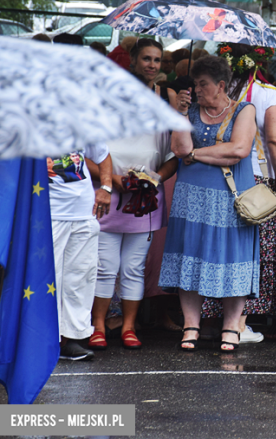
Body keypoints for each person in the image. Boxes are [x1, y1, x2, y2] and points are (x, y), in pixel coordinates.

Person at [159, 56, 260, 352]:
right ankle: (192, 324)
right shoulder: (188, 112)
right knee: (189, 255)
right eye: (194, 84)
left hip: (231, 198)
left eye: (203, 84)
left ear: (220, 85)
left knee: (232, 257)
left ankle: (231, 326)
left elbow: (239, 150)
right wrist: (180, 113)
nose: (197, 90)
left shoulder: (244, 109)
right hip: (191, 197)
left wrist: (197, 155)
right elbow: (179, 148)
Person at [88, 38, 178, 351]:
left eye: (157, 60)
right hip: (110, 196)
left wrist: (154, 178)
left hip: (145, 201)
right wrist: (110, 178)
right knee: (105, 265)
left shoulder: (163, 108)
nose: (152, 65)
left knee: (133, 267)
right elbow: (88, 153)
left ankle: (129, 327)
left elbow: (172, 156)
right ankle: (97, 325)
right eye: (146, 59)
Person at [201, 43, 276, 344]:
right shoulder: (269, 94)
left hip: (217, 172)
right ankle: (239, 322)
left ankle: (215, 317)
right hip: (255, 178)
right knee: (254, 252)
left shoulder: (219, 93)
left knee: (220, 247)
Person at [49, 144, 112, 361]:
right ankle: (47, 338)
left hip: (84, 213)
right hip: (47, 214)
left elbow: (103, 155)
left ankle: (74, 337)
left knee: (81, 277)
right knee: (47, 279)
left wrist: (106, 187)